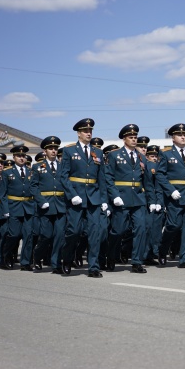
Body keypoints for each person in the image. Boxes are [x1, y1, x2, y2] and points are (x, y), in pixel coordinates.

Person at [60, 118, 108, 278]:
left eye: (90, 131)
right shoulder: (69, 151)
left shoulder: (98, 152)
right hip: (76, 197)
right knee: (73, 231)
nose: (89, 133)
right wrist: (72, 194)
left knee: (95, 232)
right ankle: (67, 259)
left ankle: (93, 266)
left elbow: (102, 178)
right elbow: (63, 176)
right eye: (86, 131)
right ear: (79, 133)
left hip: (94, 197)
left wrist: (104, 200)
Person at [104, 124, 154, 274]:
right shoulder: (114, 155)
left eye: (135, 137)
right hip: (122, 197)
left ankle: (137, 261)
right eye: (131, 137)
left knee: (141, 229)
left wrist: (151, 200)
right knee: (118, 231)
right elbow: (108, 177)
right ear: (124, 139)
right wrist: (114, 195)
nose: (134, 139)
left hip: (138, 198)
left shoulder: (141, 157)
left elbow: (147, 181)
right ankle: (111, 256)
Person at [156, 123, 185, 268]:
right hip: (175, 195)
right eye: (179, 135)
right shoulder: (166, 154)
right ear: (173, 138)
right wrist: (171, 190)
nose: (183, 137)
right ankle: (162, 250)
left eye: (184, 134)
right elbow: (160, 174)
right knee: (173, 225)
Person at [30, 136, 66, 274]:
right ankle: (37, 257)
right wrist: (41, 201)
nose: (53, 151)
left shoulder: (63, 167)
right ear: (45, 151)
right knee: (46, 235)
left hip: (61, 205)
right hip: (45, 206)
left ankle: (56, 263)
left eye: (55, 148)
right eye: (51, 148)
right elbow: (33, 187)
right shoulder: (38, 167)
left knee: (59, 235)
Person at [1, 145, 35, 271]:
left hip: (28, 207)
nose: (22, 158)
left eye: (23, 156)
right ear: (14, 157)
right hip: (13, 207)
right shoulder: (7, 172)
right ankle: (7, 255)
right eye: (19, 156)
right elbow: (3, 194)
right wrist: (5, 210)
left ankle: (25, 262)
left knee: (28, 235)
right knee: (14, 234)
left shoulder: (31, 172)